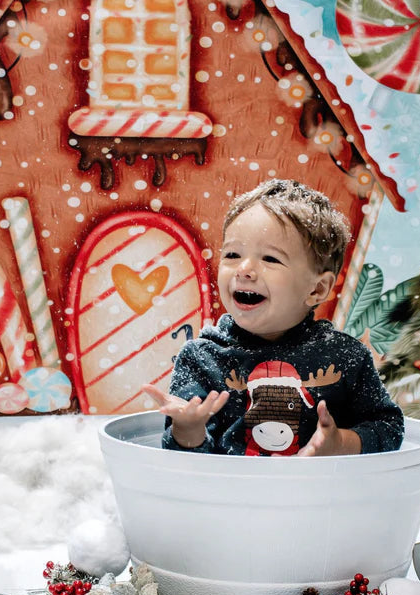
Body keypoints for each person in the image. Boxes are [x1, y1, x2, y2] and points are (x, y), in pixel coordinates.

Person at [143, 179, 405, 456]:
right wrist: (187, 431)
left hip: (321, 496)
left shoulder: (345, 356)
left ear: (317, 289)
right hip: (227, 496)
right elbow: (181, 466)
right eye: (232, 254)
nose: (244, 269)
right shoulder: (202, 358)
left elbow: (390, 428)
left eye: (270, 259)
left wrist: (340, 443)